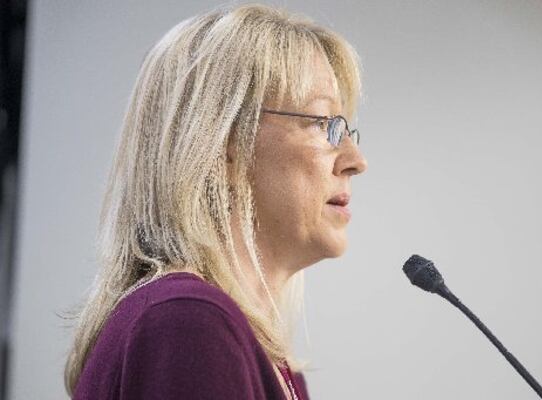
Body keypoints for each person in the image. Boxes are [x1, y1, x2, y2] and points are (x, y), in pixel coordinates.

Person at [63, 3, 367, 399]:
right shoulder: (187, 323)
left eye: (346, 129)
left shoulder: (271, 361)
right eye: (322, 123)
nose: (355, 161)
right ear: (223, 141)